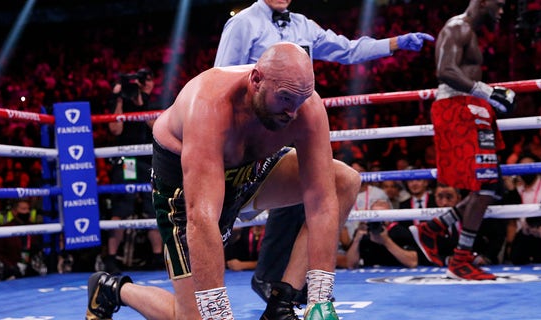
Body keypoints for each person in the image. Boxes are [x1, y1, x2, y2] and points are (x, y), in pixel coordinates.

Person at [86, 42, 361, 320]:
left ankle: (282, 303)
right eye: (286, 98)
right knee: (193, 317)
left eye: (300, 100)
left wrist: (320, 299)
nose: (292, 112)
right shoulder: (209, 104)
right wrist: (217, 315)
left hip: (251, 170)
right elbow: (201, 218)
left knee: (344, 182)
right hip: (185, 185)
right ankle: (111, 288)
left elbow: (322, 200)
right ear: (256, 80)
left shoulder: (305, 106)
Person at [214, 0, 434, 307]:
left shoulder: (304, 25)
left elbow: (347, 50)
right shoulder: (243, 23)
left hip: (291, 127)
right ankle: (259, 282)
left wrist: (395, 43)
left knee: (321, 188)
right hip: (249, 137)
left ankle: (285, 288)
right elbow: (219, 80)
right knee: (222, 219)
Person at [408, 0, 516, 280]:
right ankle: (461, 259)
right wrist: (486, 92)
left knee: (491, 186)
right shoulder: (456, 27)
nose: (502, 10)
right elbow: (445, 70)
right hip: (457, 108)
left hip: (471, 107)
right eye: (500, 3)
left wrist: (487, 96)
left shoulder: (470, 31)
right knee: (485, 186)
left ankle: (434, 228)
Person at [104, 67, 164, 273]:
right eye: (141, 80)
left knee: (152, 207)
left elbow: (157, 127)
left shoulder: (156, 103)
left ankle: (157, 256)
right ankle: (111, 258)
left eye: (147, 80)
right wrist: (119, 98)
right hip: (128, 161)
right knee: (122, 207)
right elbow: (115, 129)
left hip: (149, 160)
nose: (144, 84)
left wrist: (143, 103)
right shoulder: (121, 101)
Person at [346, 200, 419, 269]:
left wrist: (387, 241)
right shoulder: (363, 231)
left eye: (382, 215)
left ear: (390, 217)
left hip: (397, 273)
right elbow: (351, 265)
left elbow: (412, 262)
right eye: (375, 215)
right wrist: (357, 240)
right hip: (369, 274)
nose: (378, 220)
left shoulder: (400, 231)